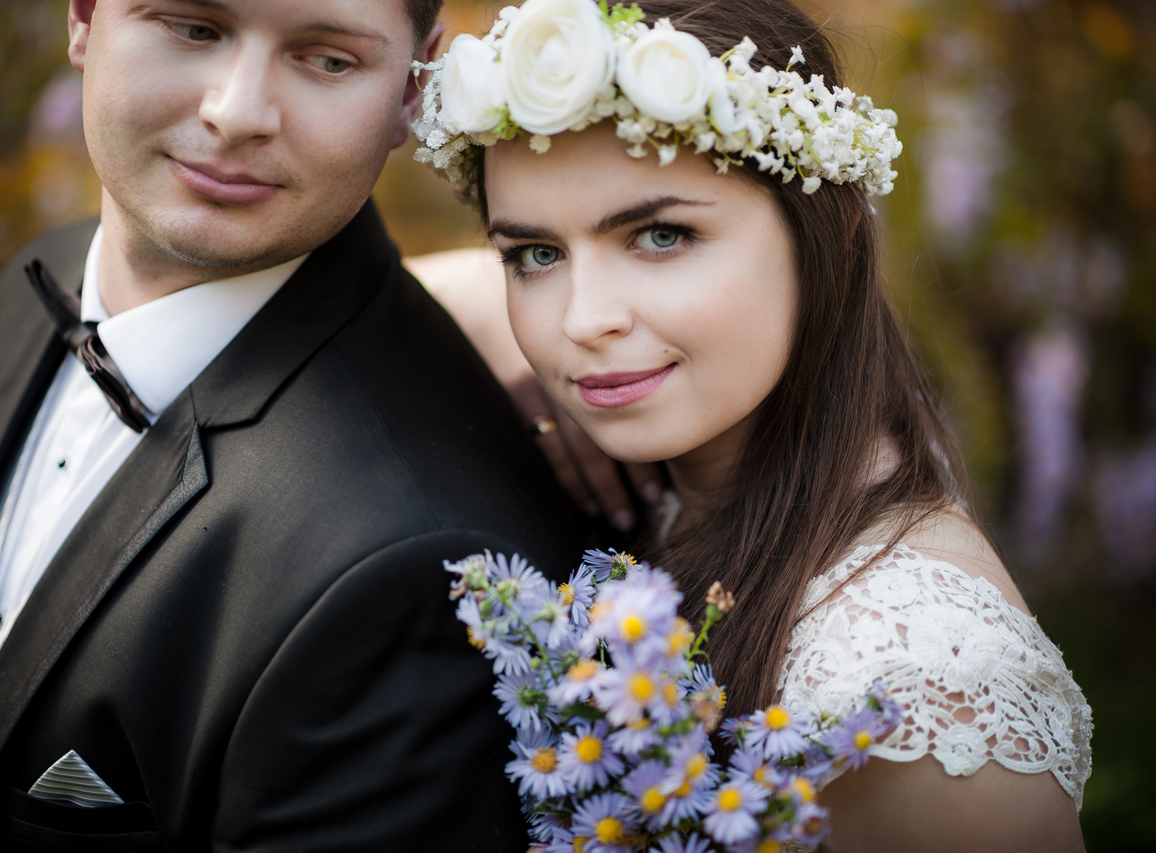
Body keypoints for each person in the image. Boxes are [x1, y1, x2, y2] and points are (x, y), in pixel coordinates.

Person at [411, 0, 1093, 848]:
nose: (581, 321)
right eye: (535, 255)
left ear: (830, 232)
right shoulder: (715, 486)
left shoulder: (920, 683)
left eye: (661, 234)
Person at [0, 0, 581, 849]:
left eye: (328, 59)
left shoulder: (413, 574)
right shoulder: (23, 295)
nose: (236, 112)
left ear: (413, 89)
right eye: (194, 27)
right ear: (83, 17)